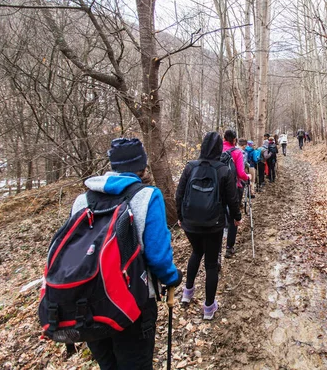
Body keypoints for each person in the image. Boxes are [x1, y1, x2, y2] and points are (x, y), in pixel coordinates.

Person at [71, 138, 182, 370]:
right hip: (133, 303)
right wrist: (172, 278)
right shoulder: (148, 196)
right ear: (142, 164)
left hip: (88, 302)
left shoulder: (82, 199)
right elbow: (158, 256)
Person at [176, 132, 241, 320]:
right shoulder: (223, 170)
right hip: (214, 224)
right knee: (211, 264)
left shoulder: (190, 167)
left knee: (196, 252)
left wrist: (181, 217)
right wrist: (236, 217)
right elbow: (232, 199)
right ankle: (209, 308)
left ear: (202, 146)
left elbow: (179, 195)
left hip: (190, 223)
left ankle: (187, 293)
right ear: (220, 148)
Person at [222, 130, 250, 258]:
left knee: (220, 216)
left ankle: (217, 252)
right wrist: (248, 177)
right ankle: (229, 247)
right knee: (234, 215)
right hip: (234, 187)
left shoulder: (217, 150)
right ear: (234, 140)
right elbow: (240, 173)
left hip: (218, 189)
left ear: (224, 138)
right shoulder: (237, 152)